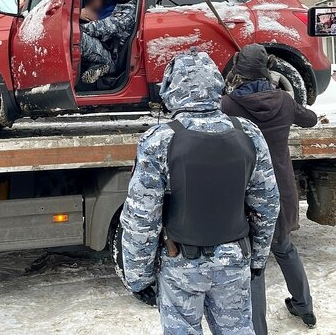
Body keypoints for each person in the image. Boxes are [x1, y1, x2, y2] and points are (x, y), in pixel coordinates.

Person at [121, 49, 280, 334]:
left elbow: (141, 218)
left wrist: (138, 277)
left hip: (182, 265)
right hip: (234, 260)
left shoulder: (160, 140)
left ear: (171, 89)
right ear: (217, 85)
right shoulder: (248, 132)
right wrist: (257, 258)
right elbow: (267, 204)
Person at [221, 43, 318, 333]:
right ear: (267, 68)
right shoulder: (284, 101)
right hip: (281, 190)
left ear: (239, 71)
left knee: (254, 261)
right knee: (285, 248)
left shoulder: (228, 106)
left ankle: (257, 328)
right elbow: (311, 119)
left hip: (245, 193)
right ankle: (305, 308)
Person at [80, 0, 138, 84]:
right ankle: (99, 67)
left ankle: (106, 67)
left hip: (112, 59)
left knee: (77, 36)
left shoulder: (129, 12)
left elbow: (105, 27)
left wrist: (76, 23)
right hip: (108, 51)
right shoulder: (120, 8)